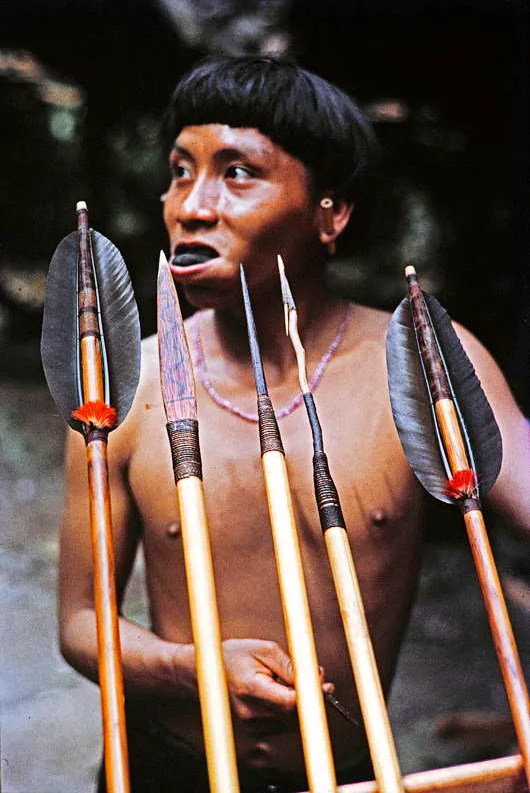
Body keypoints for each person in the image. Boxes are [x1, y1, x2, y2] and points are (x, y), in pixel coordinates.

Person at [59, 56, 530, 793]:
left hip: (349, 772)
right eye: (180, 171)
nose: (191, 204)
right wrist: (195, 670)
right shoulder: (124, 387)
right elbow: (82, 623)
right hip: (169, 769)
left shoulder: (421, 361)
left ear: (330, 213)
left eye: (237, 172)